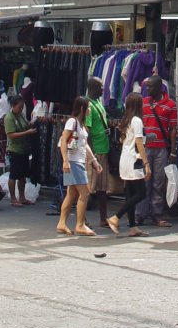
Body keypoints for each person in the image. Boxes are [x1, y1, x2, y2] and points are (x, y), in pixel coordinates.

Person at [107, 92, 150, 238]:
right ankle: (116, 217)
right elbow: (139, 143)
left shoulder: (126, 120)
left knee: (130, 193)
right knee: (141, 193)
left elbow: (122, 140)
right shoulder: (137, 121)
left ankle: (133, 227)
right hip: (134, 159)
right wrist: (146, 163)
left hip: (125, 158)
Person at [57, 96, 102, 236]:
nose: (89, 109)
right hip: (74, 162)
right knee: (84, 193)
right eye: (88, 107)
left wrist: (93, 160)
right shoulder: (72, 122)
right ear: (82, 108)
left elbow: (85, 145)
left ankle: (62, 223)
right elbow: (64, 140)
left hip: (77, 161)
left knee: (71, 194)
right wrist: (65, 160)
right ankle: (80, 224)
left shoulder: (81, 124)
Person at [136, 74, 177, 227]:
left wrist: (173, 151)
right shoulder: (143, 103)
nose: (147, 89)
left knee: (158, 183)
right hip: (145, 148)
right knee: (143, 182)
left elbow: (173, 129)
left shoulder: (171, 105)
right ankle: (140, 215)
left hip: (161, 149)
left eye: (150, 86)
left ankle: (157, 215)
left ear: (159, 87)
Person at [84, 77, 111, 227]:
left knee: (102, 188)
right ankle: (83, 219)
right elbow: (86, 131)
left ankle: (103, 218)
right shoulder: (88, 105)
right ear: (94, 87)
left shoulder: (98, 102)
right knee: (88, 188)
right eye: (101, 87)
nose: (103, 89)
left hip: (103, 149)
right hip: (94, 152)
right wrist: (91, 155)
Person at [3, 94, 36, 206]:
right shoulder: (9, 118)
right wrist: (27, 132)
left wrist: (31, 124)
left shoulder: (20, 116)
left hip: (24, 149)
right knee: (14, 175)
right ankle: (13, 198)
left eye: (22, 107)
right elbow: (11, 135)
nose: (21, 109)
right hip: (14, 149)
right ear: (13, 106)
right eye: (19, 107)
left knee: (23, 175)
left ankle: (22, 197)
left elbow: (26, 125)